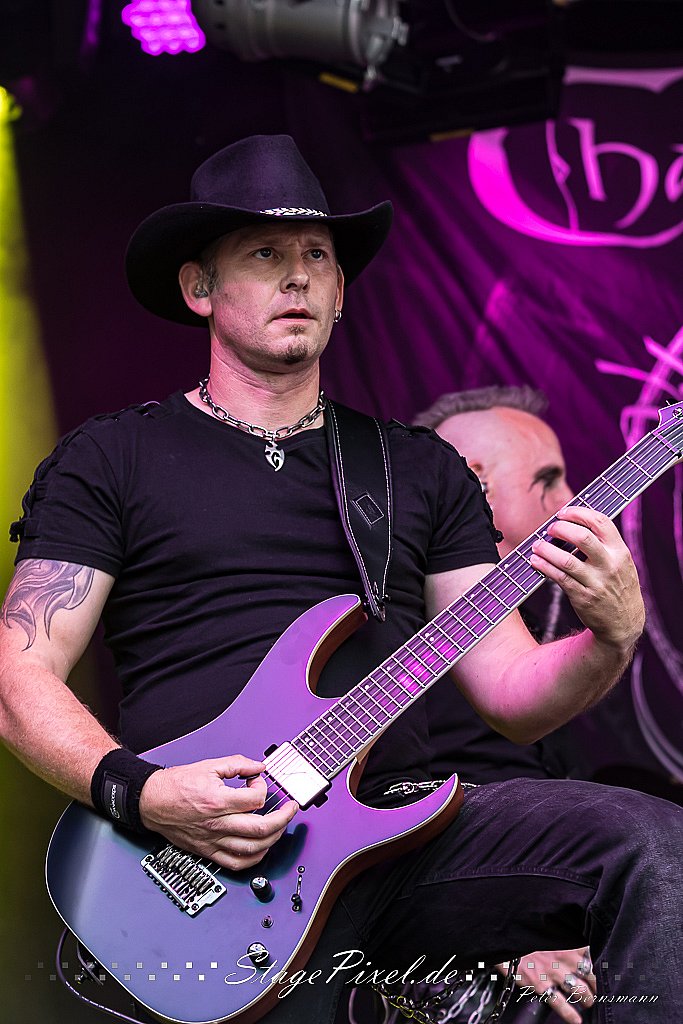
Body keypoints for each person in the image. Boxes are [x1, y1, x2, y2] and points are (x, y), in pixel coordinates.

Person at [0, 135, 680, 1024]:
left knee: (651, 844)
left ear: (342, 290)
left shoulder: (416, 469)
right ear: (199, 287)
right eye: (264, 254)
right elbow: (19, 676)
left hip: (395, 836)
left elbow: (514, 696)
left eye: (317, 256)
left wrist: (610, 638)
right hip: (192, 852)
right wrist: (146, 793)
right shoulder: (111, 458)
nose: (298, 276)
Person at [414, 385, 592, 1023]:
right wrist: (504, 934)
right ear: (473, 486)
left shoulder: (530, 631)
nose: (570, 500)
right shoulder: (397, 631)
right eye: (546, 480)